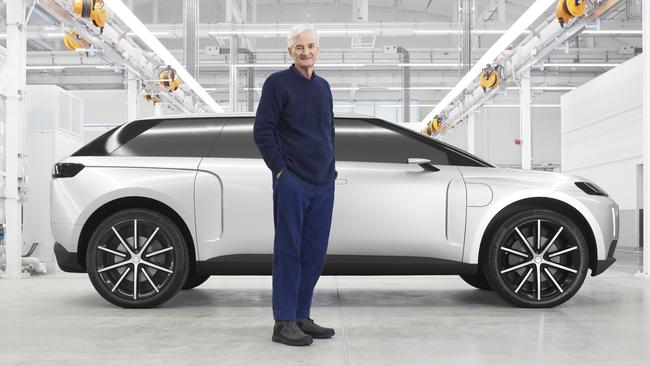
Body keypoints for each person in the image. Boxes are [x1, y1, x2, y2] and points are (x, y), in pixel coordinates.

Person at [253, 24, 337, 347]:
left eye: (311, 46)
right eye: (299, 47)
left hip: (323, 183)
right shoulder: (277, 84)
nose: (306, 52)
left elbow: (328, 130)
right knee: (289, 250)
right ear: (290, 51)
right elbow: (262, 131)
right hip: (292, 181)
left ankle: (302, 315)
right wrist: (279, 172)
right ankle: (284, 321)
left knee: (314, 253)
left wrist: (331, 168)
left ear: (318, 49)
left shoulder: (324, 87)